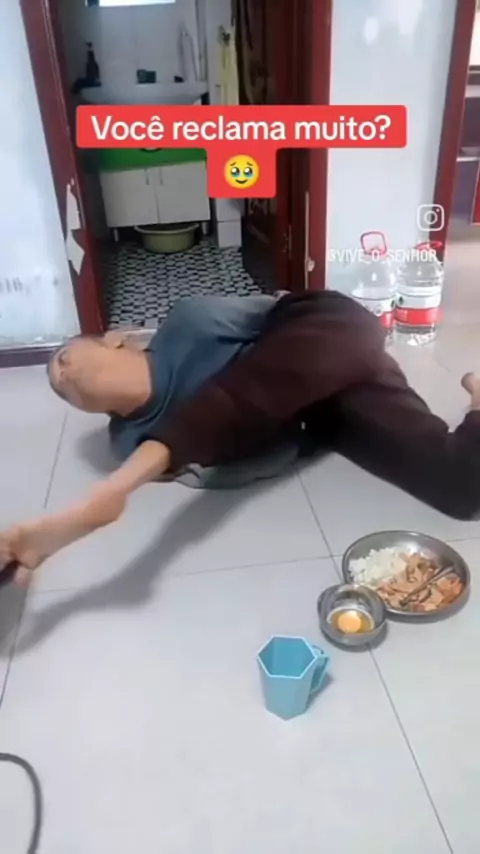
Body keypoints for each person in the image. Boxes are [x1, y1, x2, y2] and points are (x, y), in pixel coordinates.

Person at [1, 289, 480, 586]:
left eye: (62, 358)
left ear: (116, 339)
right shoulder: (130, 442)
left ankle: (107, 496)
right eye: (58, 389)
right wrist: (295, 446)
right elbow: (229, 472)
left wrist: (117, 487)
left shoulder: (190, 321)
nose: (59, 376)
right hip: (318, 414)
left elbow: (291, 316)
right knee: (461, 489)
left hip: (328, 333)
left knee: (274, 373)